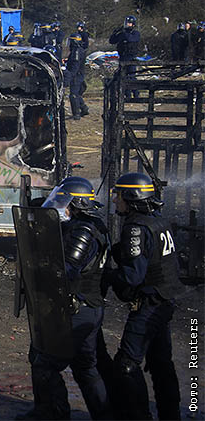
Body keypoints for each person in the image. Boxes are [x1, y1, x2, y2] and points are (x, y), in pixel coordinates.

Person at [18, 178, 112, 420]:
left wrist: (41, 266)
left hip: (77, 308)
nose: (60, 208)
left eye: (64, 203)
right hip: (86, 307)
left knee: (44, 362)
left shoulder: (83, 231)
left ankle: (52, 414)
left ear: (77, 205)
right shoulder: (89, 225)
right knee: (84, 368)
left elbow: (66, 270)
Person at [106, 172, 181, 420]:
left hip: (149, 303)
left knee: (127, 364)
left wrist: (108, 276)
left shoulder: (136, 227)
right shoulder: (158, 220)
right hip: (165, 301)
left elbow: (132, 277)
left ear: (131, 197)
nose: (115, 200)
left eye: (118, 195)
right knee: (161, 363)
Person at [109, 15, 141, 99]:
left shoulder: (135, 33)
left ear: (133, 24)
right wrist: (115, 33)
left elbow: (131, 39)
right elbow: (112, 41)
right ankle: (127, 94)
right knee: (122, 76)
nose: (127, 25)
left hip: (131, 58)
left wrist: (124, 34)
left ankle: (136, 94)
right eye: (126, 23)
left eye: (129, 23)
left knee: (131, 76)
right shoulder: (122, 34)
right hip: (123, 57)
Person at [65, 33, 89, 120]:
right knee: (77, 93)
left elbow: (75, 65)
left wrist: (70, 75)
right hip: (78, 74)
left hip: (76, 75)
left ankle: (76, 114)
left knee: (73, 95)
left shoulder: (76, 51)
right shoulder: (78, 50)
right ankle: (84, 108)